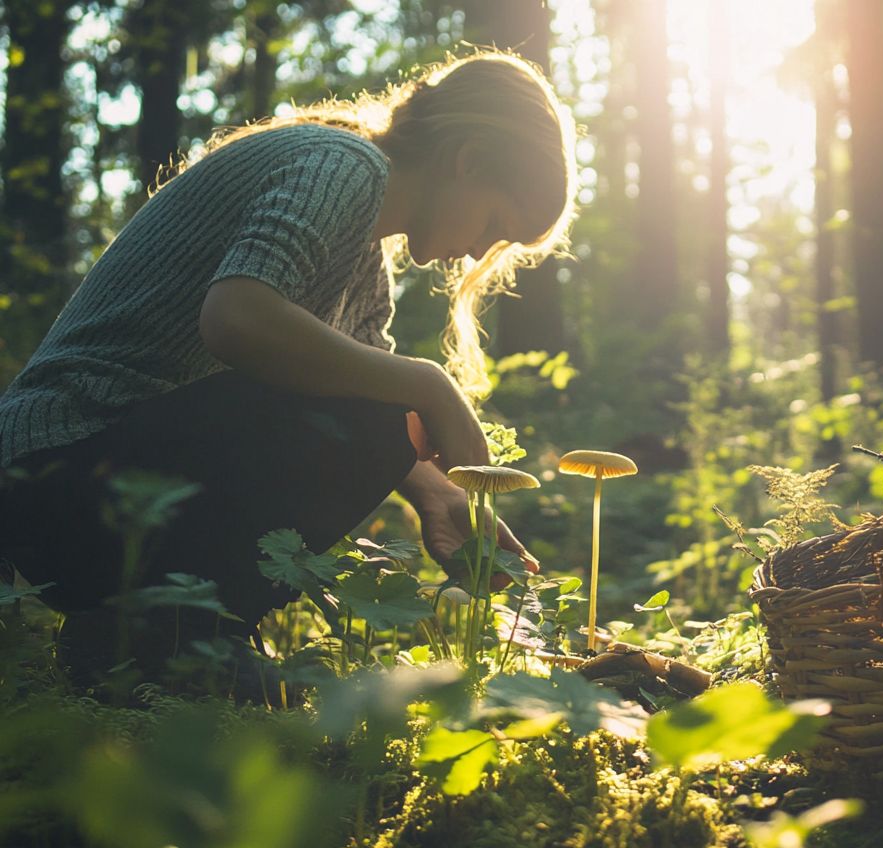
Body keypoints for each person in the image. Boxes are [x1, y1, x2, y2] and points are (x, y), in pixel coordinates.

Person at [0, 49, 577, 690]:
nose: (478, 251)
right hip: (56, 469)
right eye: (495, 225)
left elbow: (366, 411)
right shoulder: (342, 166)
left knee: (379, 406)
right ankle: (170, 637)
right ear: (467, 159)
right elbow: (237, 319)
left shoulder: (367, 256)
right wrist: (429, 383)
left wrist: (438, 497)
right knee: (385, 404)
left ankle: (143, 632)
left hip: (102, 491)